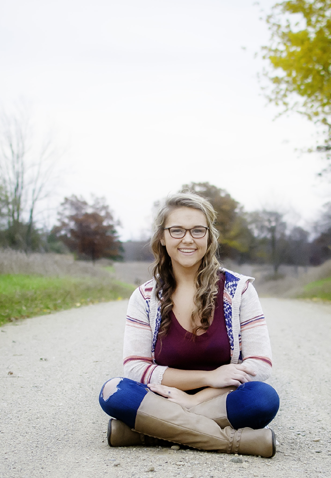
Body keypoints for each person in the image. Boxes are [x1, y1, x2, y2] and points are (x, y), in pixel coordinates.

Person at [98, 192, 279, 458]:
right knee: (114, 392)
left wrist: (195, 399)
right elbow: (135, 368)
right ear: (162, 237)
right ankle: (233, 442)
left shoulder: (239, 291)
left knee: (262, 399)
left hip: (220, 399)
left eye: (197, 230)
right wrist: (207, 376)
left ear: (209, 236)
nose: (187, 239)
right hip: (161, 399)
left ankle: (148, 432)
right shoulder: (145, 297)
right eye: (177, 230)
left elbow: (260, 364)